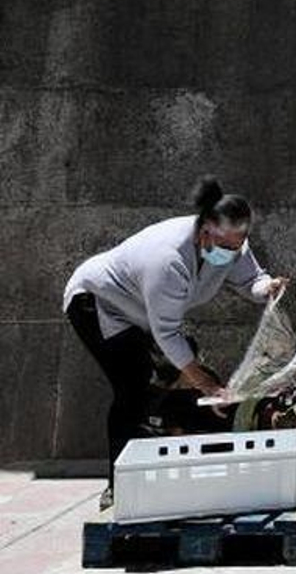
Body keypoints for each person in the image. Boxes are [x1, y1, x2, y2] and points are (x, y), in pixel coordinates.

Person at [62, 177, 284, 508]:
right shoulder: (166, 259)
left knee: (181, 370)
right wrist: (204, 383)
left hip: (141, 313)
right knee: (132, 387)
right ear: (205, 232)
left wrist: (266, 288)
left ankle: (168, 437)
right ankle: (118, 486)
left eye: (240, 245)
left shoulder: (231, 242)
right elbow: (167, 334)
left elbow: (250, 277)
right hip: (96, 303)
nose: (234, 253)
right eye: (227, 247)